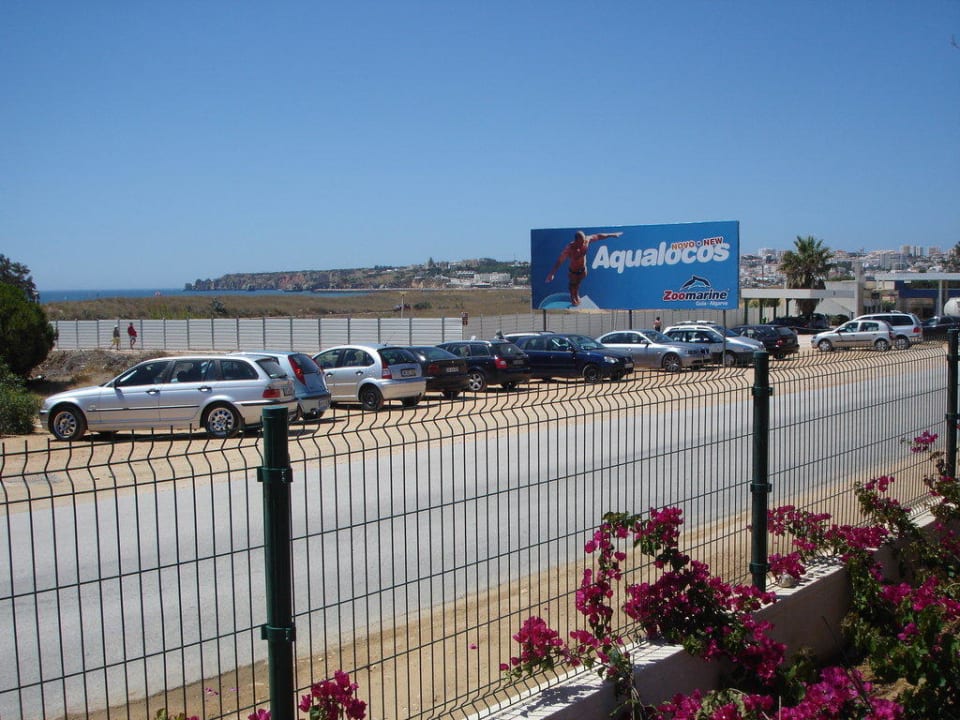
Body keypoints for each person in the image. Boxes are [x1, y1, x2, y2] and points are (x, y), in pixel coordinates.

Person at [545, 230, 623, 306]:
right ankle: (573, 297)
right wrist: (552, 273)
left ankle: (576, 294)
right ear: (576, 241)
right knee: (572, 285)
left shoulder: (586, 240)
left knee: (578, 283)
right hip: (573, 271)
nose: (583, 243)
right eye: (581, 242)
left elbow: (598, 236)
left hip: (583, 270)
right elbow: (560, 260)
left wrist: (612, 235)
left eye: (583, 241)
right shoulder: (569, 248)